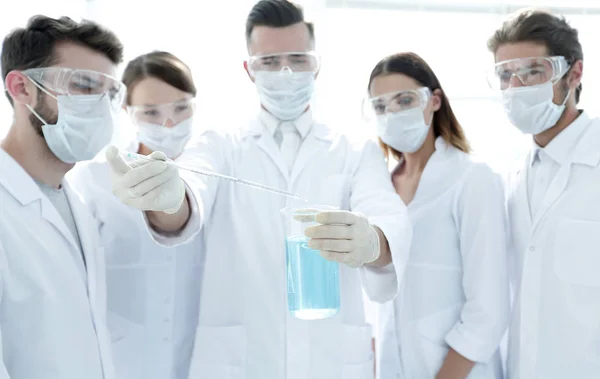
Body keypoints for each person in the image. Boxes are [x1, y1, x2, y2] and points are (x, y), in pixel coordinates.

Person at [104, 0, 412, 378]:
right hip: (240, 360)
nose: (285, 72)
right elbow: (190, 192)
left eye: (298, 59)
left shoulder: (354, 149)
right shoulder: (220, 143)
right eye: (269, 61)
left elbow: (386, 213)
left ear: (316, 64)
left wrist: (374, 242)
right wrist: (169, 199)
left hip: (330, 357)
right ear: (249, 70)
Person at [367, 52, 510, 379]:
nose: (392, 113)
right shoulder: (379, 190)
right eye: (380, 106)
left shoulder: (473, 180)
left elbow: (488, 311)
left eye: (405, 100)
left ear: (434, 101)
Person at [0, 15, 125, 378]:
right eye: (84, 85)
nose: (99, 105)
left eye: (108, 93)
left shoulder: (77, 206)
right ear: (21, 87)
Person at [68, 51, 203, 379]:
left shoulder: (207, 178)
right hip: (121, 361)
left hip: (198, 356)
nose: (169, 122)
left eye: (181, 108)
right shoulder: (95, 179)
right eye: (151, 112)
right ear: (126, 110)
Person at [487, 8, 600, 379]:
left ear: (574, 73)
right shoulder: (514, 176)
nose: (517, 87)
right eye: (505, 75)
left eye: (534, 71)